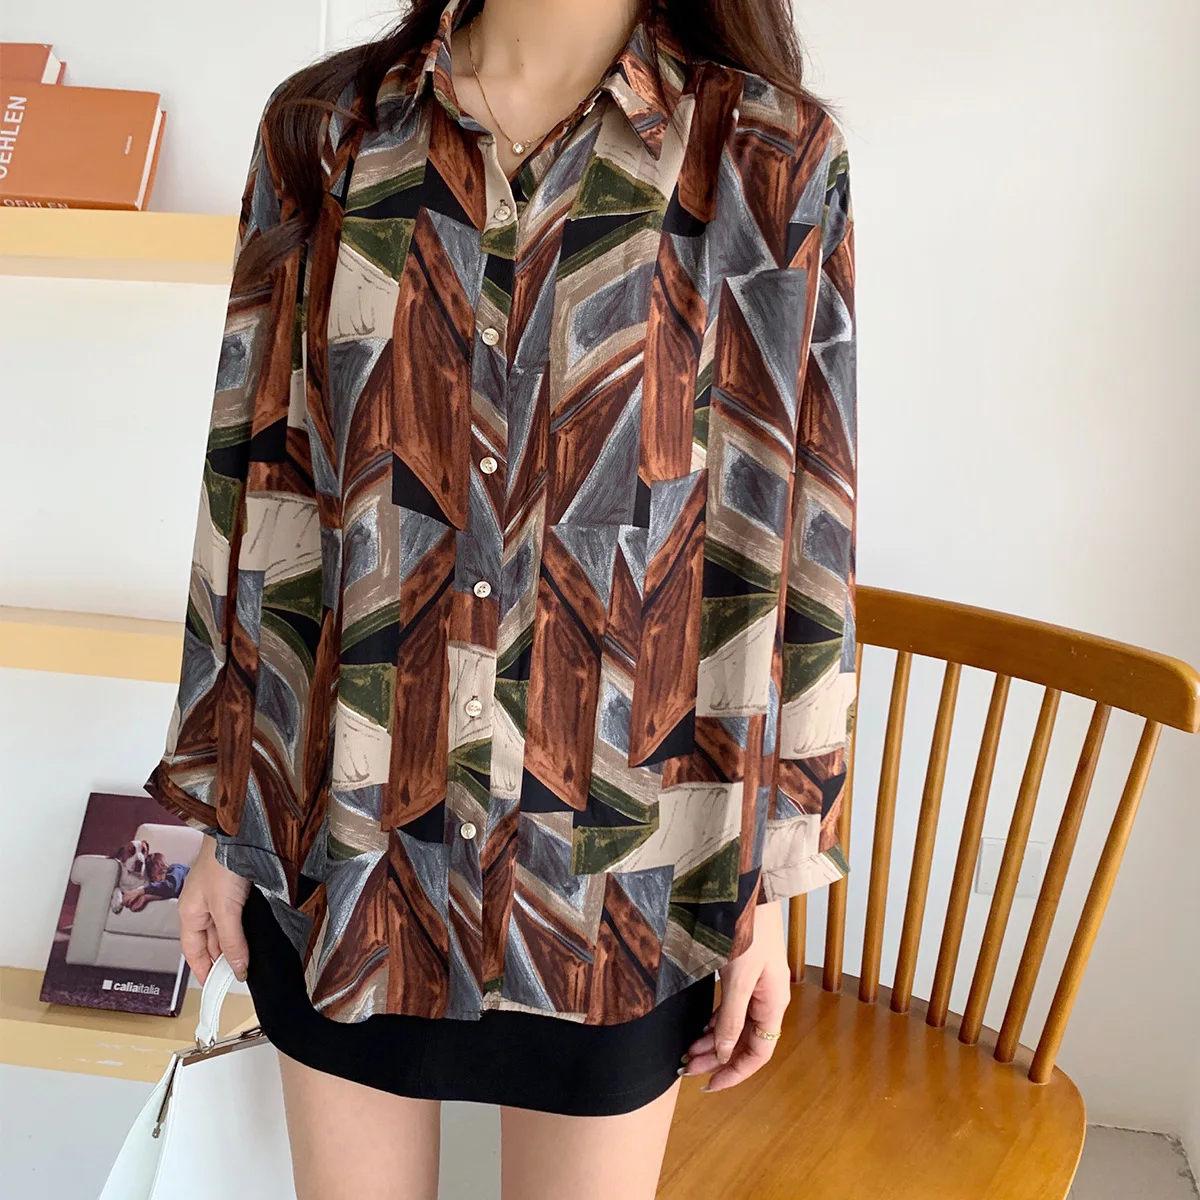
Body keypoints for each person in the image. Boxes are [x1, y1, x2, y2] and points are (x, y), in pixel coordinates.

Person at [143, 0, 857, 1195]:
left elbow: (791, 539)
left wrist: (768, 891)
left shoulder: (765, 157)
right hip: (353, 849)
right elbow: (258, 494)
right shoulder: (328, 133)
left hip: (620, 877)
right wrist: (227, 822)